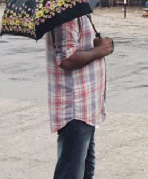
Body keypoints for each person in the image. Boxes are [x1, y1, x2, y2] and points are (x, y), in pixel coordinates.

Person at [45, 15, 114, 179]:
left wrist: (99, 45)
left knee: (85, 171)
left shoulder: (78, 12)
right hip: (75, 109)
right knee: (71, 173)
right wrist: (100, 51)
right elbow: (66, 59)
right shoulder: (67, 16)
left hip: (86, 108)